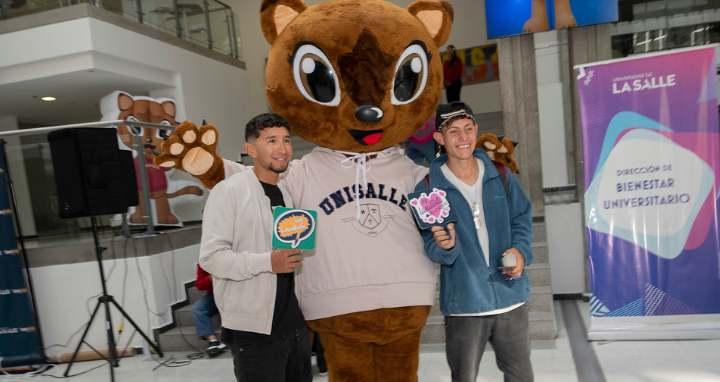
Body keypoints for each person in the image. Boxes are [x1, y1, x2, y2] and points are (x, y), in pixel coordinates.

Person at [415, 102, 534, 382]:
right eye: (453, 131)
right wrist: (444, 246)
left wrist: (521, 251)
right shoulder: (428, 189)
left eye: (468, 129)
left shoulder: (501, 174)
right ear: (439, 139)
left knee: (521, 377)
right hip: (464, 306)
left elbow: (522, 217)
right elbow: (429, 245)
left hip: (511, 299)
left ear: (476, 130)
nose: (463, 137)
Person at [199, 113, 311, 382]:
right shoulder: (228, 191)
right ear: (250, 149)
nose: (282, 148)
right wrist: (267, 262)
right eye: (271, 140)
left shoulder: (287, 194)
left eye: (286, 140)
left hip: (293, 325)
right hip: (254, 330)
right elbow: (212, 258)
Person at [191, 264, 227, 357]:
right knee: (198, 308)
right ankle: (213, 341)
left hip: (231, 294)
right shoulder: (203, 263)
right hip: (214, 295)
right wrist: (210, 278)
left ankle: (229, 338)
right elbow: (199, 285)